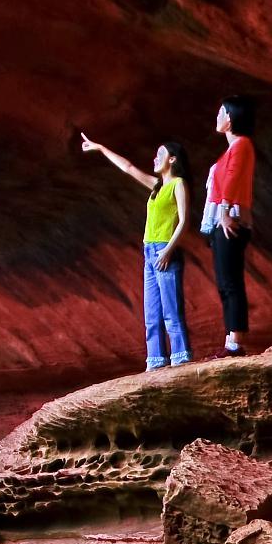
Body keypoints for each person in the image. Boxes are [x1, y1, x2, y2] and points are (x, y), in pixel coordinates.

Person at [80, 132, 192, 370]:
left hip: (164, 250)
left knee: (171, 308)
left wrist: (168, 250)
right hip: (149, 251)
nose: (155, 158)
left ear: (172, 159)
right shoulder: (157, 186)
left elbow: (184, 221)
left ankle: (180, 356)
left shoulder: (177, 184)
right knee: (151, 310)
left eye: (160, 154)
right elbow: (129, 168)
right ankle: (155, 361)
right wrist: (101, 147)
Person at [202, 95, 256, 357]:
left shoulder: (242, 145)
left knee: (231, 281)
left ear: (231, 119)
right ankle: (230, 338)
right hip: (221, 218)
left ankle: (235, 342)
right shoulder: (230, 149)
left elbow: (233, 178)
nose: (218, 117)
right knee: (224, 282)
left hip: (231, 217)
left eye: (221, 112)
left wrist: (223, 211)